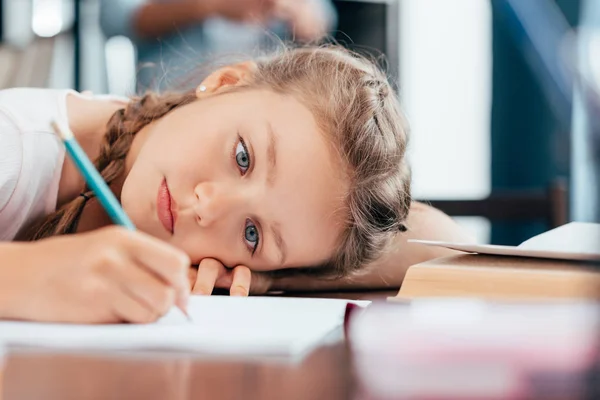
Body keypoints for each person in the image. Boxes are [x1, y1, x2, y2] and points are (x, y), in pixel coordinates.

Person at [0, 45, 470, 325]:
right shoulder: (15, 144)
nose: (210, 206)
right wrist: (34, 274)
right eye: (242, 157)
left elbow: (447, 245)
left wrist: (274, 278)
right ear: (225, 81)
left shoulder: (153, 141)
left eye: (252, 233)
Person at [100, 0, 336, 91]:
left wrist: (298, 11)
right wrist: (207, 6)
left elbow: (322, 20)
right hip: (168, 99)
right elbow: (115, 19)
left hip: (254, 106)